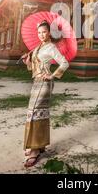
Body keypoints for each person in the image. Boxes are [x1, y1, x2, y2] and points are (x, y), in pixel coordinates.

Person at [21, 20, 69, 168]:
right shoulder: (37, 48)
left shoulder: (51, 47)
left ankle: (35, 150)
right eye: (39, 32)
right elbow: (33, 69)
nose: (41, 35)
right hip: (36, 83)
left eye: (44, 32)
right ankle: (39, 145)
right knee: (36, 113)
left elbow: (65, 63)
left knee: (36, 112)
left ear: (49, 33)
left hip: (45, 83)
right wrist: (28, 62)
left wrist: (52, 75)